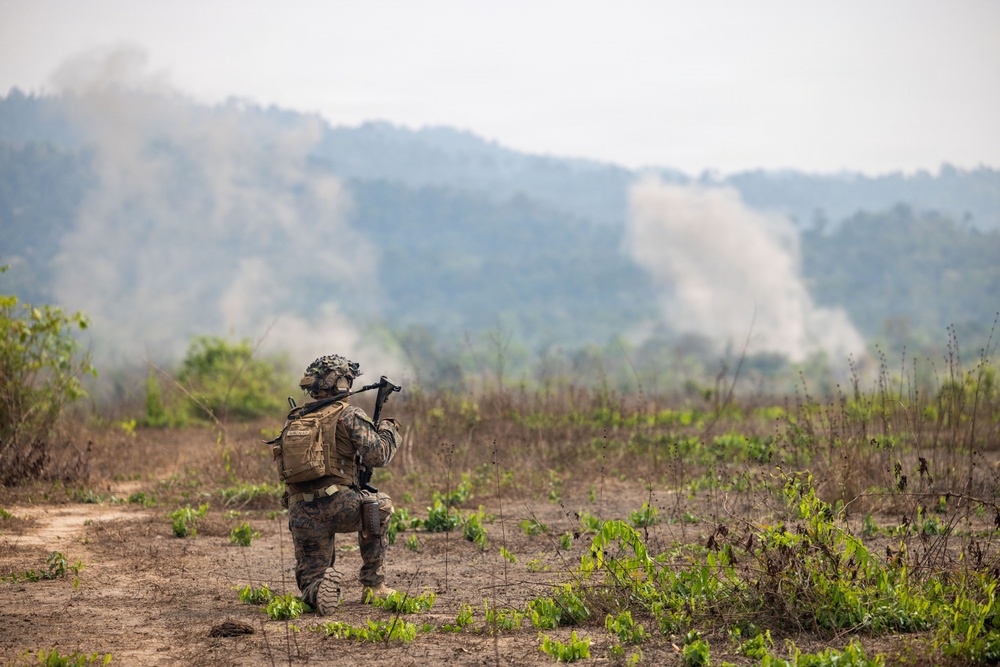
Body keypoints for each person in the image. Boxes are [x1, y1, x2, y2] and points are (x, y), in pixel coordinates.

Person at [283, 354, 401, 614]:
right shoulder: (349, 415)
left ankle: (318, 588)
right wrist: (389, 429)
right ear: (342, 384)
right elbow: (378, 455)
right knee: (380, 505)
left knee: (311, 580)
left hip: (301, 512)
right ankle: (374, 586)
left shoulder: (295, 418)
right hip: (341, 505)